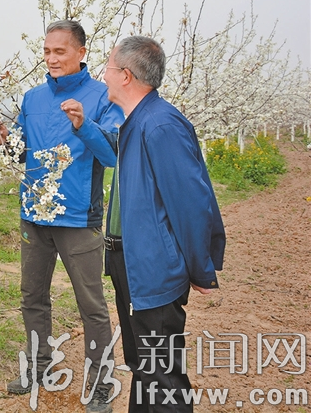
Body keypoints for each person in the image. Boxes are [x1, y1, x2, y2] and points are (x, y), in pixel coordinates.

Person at [0, 20, 124, 412]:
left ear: (81, 52)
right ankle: (38, 368)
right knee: (32, 297)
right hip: (34, 215)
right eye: (47, 51)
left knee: (91, 306)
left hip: (78, 217)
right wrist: (4, 141)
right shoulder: (33, 98)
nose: (51, 59)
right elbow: (22, 153)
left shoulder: (102, 96)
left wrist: (83, 125)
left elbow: (111, 155)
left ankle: (101, 384)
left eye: (59, 51)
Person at [102, 36, 226, 412]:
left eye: (108, 66)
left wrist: (201, 268)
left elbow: (191, 204)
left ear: (125, 75)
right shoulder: (136, 121)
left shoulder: (159, 125)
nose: (103, 74)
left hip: (153, 270)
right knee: (144, 368)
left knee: (162, 377)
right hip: (131, 264)